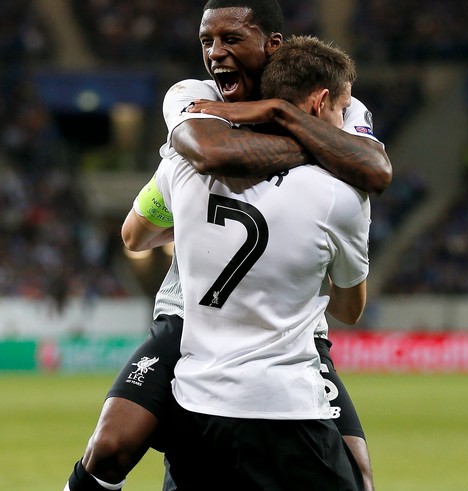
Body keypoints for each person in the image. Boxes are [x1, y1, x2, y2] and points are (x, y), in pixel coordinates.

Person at [64, 1, 389, 490]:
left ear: (271, 44)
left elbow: (378, 170)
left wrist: (275, 114)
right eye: (206, 41)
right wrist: (319, 143)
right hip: (189, 315)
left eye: (231, 39)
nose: (215, 53)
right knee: (111, 446)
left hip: (290, 326)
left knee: (359, 471)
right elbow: (202, 164)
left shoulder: (341, 102)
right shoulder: (194, 98)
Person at [132, 33, 370, 490]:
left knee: (113, 447)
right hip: (288, 400)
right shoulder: (342, 193)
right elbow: (348, 309)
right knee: (360, 476)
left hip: (200, 395)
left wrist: (190, 224)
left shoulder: (188, 157)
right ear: (321, 104)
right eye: (341, 109)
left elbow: (133, 233)